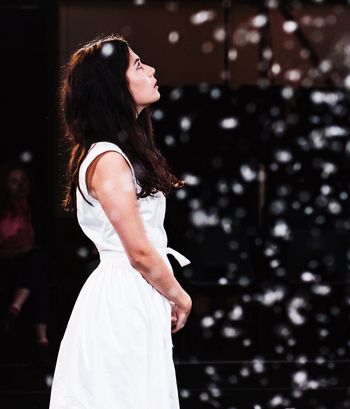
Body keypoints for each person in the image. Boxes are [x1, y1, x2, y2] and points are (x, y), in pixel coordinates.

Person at [49, 34, 192, 409]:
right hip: (123, 297)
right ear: (114, 86)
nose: (152, 70)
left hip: (135, 293)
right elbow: (139, 252)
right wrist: (180, 296)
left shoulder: (117, 153)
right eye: (139, 65)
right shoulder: (109, 158)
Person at [0, 160, 51, 365]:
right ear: (5, 185)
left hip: (31, 263)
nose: (20, 185)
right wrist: (17, 251)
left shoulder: (36, 210)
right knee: (38, 273)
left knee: (38, 265)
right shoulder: (2, 212)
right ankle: (42, 340)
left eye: (23, 180)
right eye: (14, 181)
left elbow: (46, 244)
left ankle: (14, 310)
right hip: (7, 263)